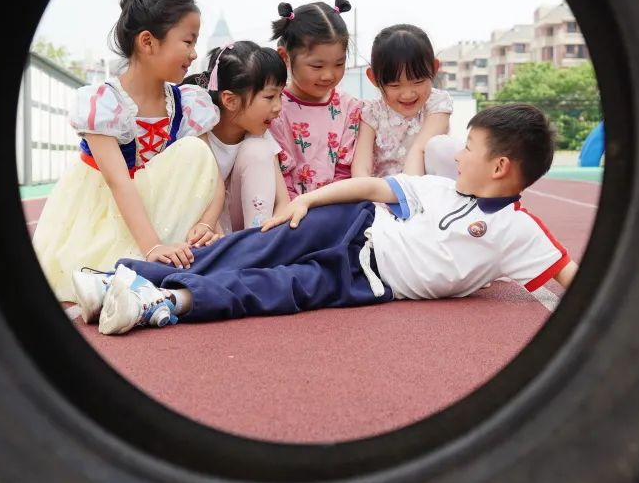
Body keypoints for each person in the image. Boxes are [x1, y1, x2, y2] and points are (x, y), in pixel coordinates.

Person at [71, 104, 578, 334]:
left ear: (500, 167)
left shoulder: (520, 230)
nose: (459, 156)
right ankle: (123, 275)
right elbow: (375, 188)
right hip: (352, 224)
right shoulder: (442, 187)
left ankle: (160, 302)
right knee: (253, 247)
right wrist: (307, 202)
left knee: (275, 290)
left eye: (469, 149)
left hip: (367, 282)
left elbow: (570, 274)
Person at [33, 0, 223, 302]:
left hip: (161, 212)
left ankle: (171, 257)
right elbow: (120, 183)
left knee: (196, 153)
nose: (194, 54)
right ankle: (144, 262)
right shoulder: (104, 104)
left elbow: (211, 176)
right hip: (108, 214)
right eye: (188, 41)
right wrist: (151, 247)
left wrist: (208, 223)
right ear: (148, 42)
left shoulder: (188, 103)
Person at [181, 41, 290, 232]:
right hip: (204, 234)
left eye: (280, 95)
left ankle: (255, 246)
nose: (278, 107)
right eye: (269, 97)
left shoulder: (260, 137)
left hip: (249, 236)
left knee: (257, 148)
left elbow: (283, 203)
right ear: (230, 100)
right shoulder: (199, 134)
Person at [267, 0, 364, 198]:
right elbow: (280, 176)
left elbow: (345, 172)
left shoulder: (350, 108)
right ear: (285, 57)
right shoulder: (274, 109)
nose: (328, 75)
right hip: (290, 210)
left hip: (338, 205)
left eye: (339, 64)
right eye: (317, 66)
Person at [351, 24, 458, 179]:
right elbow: (361, 170)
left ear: (434, 68)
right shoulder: (371, 113)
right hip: (383, 194)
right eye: (395, 85)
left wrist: (407, 198)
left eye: (418, 82)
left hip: (428, 193)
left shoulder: (437, 104)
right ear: (373, 78)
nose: (407, 94)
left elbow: (419, 149)